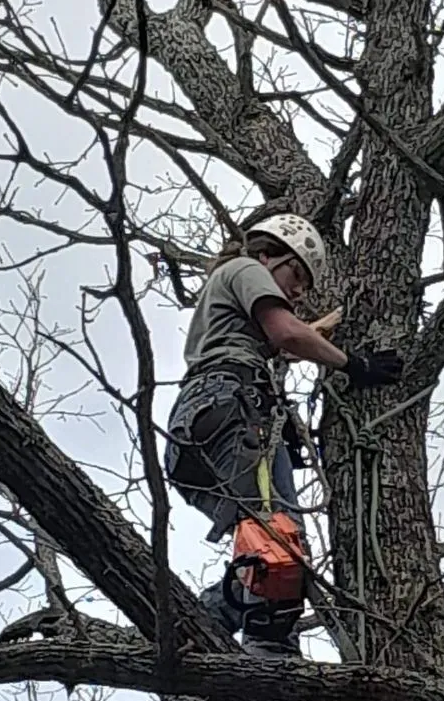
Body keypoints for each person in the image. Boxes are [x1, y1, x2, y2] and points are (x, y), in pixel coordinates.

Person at [164, 213, 402, 658]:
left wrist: (319, 333)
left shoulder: (228, 317)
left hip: (196, 434)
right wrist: (355, 364)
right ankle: (271, 656)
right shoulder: (246, 268)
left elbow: (285, 340)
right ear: (270, 256)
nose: (298, 292)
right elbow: (287, 332)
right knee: (280, 538)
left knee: (265, 547)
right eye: (296, 276)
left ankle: (192, 627)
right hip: (231, 409)